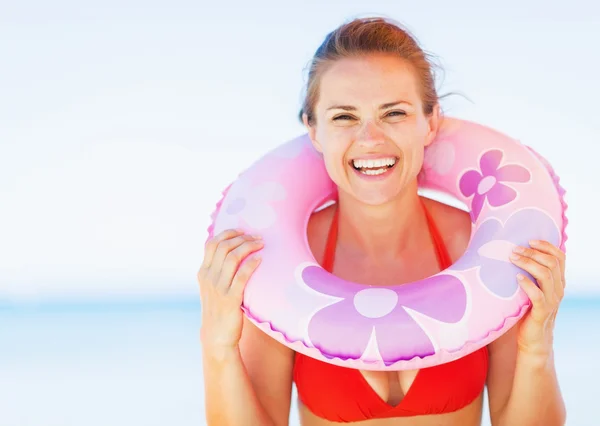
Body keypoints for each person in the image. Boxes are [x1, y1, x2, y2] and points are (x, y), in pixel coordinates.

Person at [198, 16, 567, 426]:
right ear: (313, 131)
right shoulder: (275, 264)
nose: (370, 138)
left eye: (393, 113)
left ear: (430, 121)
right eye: (344, 117)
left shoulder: (486, 250)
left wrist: (536, 350)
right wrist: (217, 345)